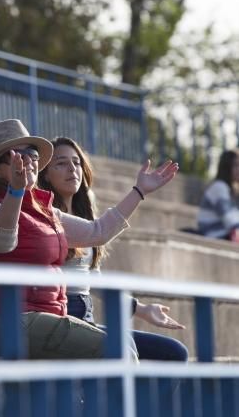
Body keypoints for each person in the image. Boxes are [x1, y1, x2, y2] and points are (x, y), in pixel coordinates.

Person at [0, 118, 179, 360]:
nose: (29, 162)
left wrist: (139, 192)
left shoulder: (46, 211)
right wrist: (15, 191)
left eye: (32, 154)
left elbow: (98, 232)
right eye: (16, 157)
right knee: (120, 351)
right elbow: (2, 241)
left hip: (47, 315)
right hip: (3, 323)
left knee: (132, 347)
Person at [38, 136, 188, 362]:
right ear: (46, 175)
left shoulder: (84, 212)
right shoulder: (46, 214)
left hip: (85, 314)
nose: (72, 169)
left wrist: (141, 308)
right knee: (123, 349)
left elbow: (95, 281)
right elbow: (99, 231)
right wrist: (139, 191)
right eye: (60, 163)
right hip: (63, 315)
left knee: (174, 353)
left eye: (77, 162)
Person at [197, 149, 239, 241]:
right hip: (213, 234)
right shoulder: (219, 187)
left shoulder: (230, 190)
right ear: (227, 167)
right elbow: (229, 218)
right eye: (236, 165)